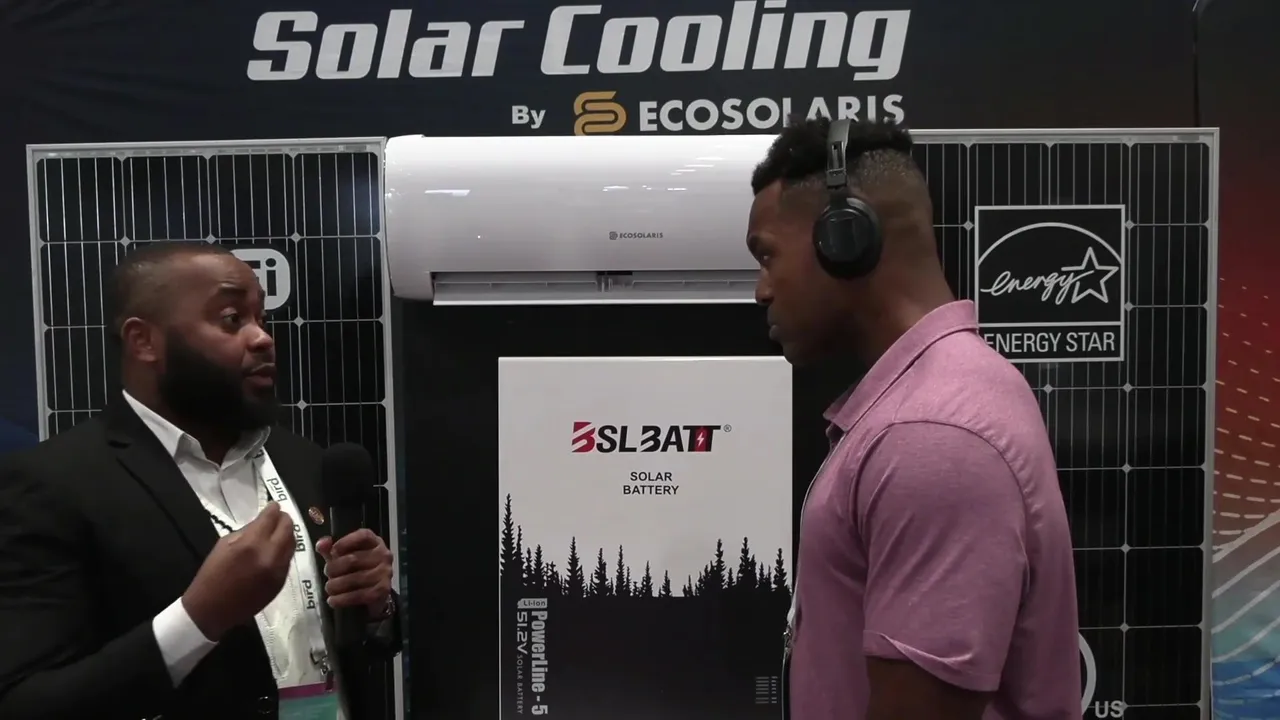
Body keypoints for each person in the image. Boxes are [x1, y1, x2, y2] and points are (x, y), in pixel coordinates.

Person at [748, 117, 1080, 720]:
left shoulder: (930, 437)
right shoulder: (942, 401)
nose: (761, 290)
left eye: (768, 255)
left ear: (843, 240)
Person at [0, 243, 401, 719]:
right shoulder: (54, 484)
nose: (262, 338)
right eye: (232, 319)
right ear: (144, 341)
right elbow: (27, 704)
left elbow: (360, 647)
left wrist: (376, 607)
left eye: (262, 318)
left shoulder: (304, 460)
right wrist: (198, 619)